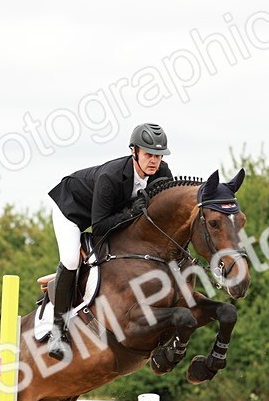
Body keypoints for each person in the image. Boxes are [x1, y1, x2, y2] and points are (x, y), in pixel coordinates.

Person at [45, 123, 173, 358]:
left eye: (158, 155)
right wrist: (132, 213)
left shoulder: (163, 174)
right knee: (71, 259)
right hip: (72, 210)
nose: (154, 161)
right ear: (134, 151)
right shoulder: (111, 177)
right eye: (148, 154)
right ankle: (57, 330)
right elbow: (100, 226)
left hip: (109, 214)